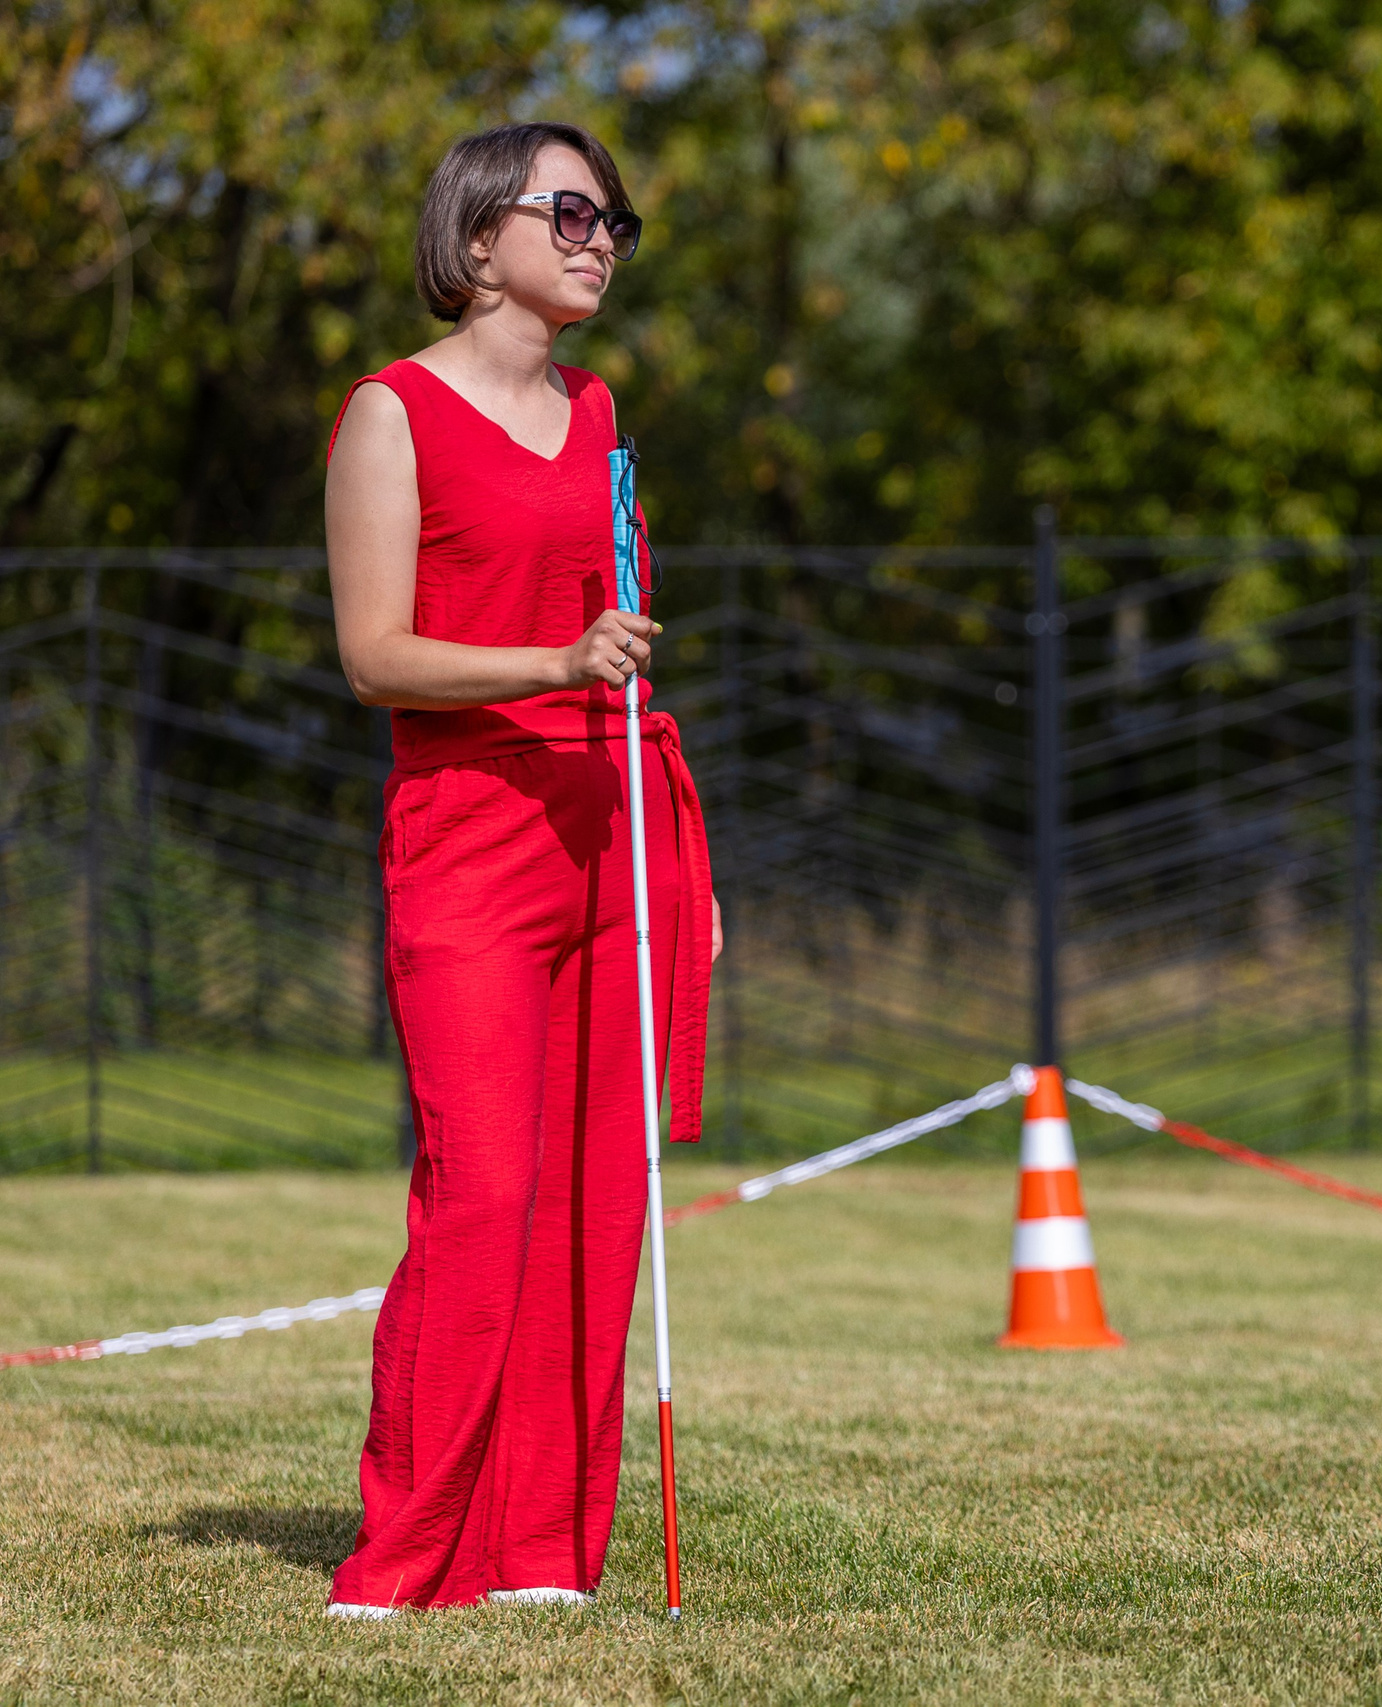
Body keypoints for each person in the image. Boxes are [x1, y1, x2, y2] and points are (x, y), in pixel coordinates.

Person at [320, 121, 717, 1616]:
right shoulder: (390, 414)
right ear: (479, 239)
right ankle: (407, 1557)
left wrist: (692, 869)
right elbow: (373, 657)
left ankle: (541, 1551)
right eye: (572, 211)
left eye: (617, 217)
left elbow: (625, 656)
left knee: (595, 1196)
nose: (602, 235)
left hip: (617, 832)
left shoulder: (605, 417)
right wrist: (549, 660)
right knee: (482, 1190)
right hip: (470, 839)